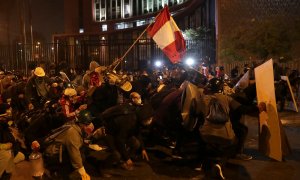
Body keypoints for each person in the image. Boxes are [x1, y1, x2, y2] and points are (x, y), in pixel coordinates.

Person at [100, 93, 153, 170]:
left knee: (136, 144)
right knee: (116, 154)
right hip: (109, 133)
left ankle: (123, 160)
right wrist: (127, 158)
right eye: (148, 119)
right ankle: (103, 167)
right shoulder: (129, 121)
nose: (150, 121)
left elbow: (137, 133)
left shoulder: (136, 117)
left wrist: (142, 148)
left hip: (119, 132)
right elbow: (120, 140)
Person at [43, 110, 94, 180]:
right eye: (87, 124)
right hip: (53, 156)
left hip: (58, 151)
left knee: (82, 153)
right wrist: (82, 171)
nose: (88, 125)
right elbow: (74, 153)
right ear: (82, 124)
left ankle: (58, 171)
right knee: (79, 157)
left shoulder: (74, 125)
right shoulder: (73, 132)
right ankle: (58, 174)